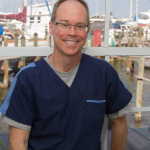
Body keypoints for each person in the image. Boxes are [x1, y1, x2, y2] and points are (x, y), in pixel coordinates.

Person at [0, 0, 132, 149]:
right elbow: (18, 142)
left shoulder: (103, 73)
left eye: (80, 26)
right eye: (64, 24)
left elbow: (119, 124)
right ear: (51, 27)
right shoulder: (27, 78)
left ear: (87, 30)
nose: (72, 32)